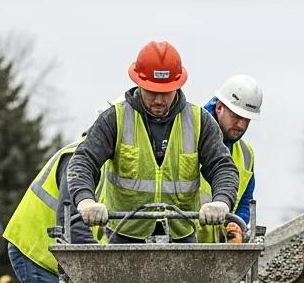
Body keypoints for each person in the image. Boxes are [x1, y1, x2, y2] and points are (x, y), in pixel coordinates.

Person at [66, 40, 240, 243]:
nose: (158, 100)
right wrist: (86, 201)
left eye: (165, 92)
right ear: (139, 84)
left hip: (180, 236)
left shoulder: (199, 121)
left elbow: (222, 166)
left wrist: (221, 202)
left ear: (178, 85)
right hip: (125, 234)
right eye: (151, 91)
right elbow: (83, 161)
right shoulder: (115, 118)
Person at [3, 136, 96, 283]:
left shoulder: (110, 164)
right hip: (38, 251)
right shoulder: (78, 158)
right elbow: (71, 221)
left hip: (60, 254)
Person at [197, 74, 263, 243]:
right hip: (182, 244)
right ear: (219, 107)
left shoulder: (246, 154)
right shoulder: (189, 136)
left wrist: (236, 225)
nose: (241, 125)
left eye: (246, 119)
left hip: (219, 252)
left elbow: (244, 202)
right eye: (236, 116)